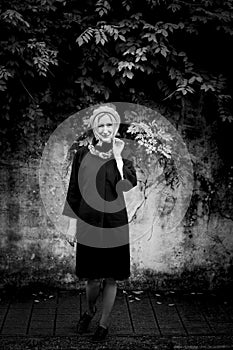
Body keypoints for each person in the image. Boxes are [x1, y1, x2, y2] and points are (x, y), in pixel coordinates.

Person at [62, 105, 137, 342]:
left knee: (111, 277)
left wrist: (116, 157)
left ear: (115, 127)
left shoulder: (123, 156)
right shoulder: (82, 154)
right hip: (88, 222)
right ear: (94, 127)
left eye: (110, 125)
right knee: (93, 278)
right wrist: (71, 225)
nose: (105, 130)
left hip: (115, 224)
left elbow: (127, 185)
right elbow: (73, 190)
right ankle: (90, 310)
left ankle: (103, 325)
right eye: (101, 125)